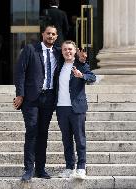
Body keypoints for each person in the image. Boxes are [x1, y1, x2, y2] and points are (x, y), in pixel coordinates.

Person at [13, 26, 87, 182]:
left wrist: (81, 59)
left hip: (49, 99)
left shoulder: (58, 52)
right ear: (43, 34)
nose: (51, 36)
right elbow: (20, 72)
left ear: (56, 36)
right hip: (31, 99)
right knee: (32, 131)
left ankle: (40, 169)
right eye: (48, 33)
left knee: (43, 133)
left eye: (53, 34)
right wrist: (20, 94)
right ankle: (28, 169)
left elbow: (72, 58)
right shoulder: (30, 49)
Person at [56, 40, 96, 179]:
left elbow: (92, 78)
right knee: (66, 140)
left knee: (80, 139)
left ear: (75, 51)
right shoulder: (58, 66)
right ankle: (69, 167)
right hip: (61, 108)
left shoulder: (81, 64)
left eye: (70, 49)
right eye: (65, 49)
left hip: (77, 108)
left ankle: (81, 167)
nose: (68, 51)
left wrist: (82, 75)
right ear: (62, 52)